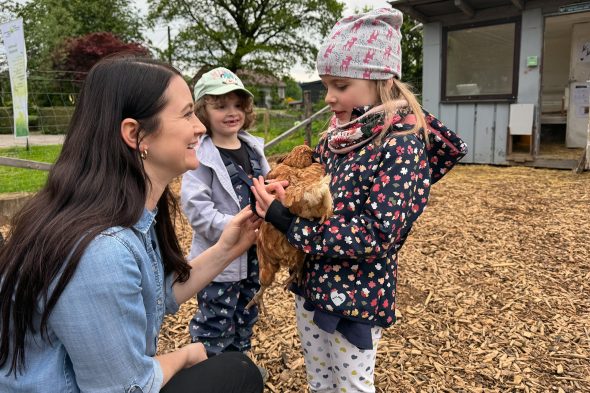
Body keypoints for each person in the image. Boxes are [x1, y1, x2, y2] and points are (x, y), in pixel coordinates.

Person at [0, 56, 264, 393]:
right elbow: (125, 387)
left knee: (235, 366)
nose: (199, 127)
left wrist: (227, 248)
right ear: (136, 134)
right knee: (237, 374)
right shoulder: (100, 251)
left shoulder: (125, 212)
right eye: (186, 114)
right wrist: (185, 355)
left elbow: (160, 294)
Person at [250, 8, 468, 393]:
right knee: (320, 381)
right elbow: (317, 187)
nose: (330, 97)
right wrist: (288, 193)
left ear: (380, 79)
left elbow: (376, 234)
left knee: (351, 386)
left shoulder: (401, 145)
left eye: (340, 85)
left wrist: (288, 223)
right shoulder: (341, 133)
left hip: (356, 297)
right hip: (313, 282)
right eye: (326, 85)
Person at [180, 68, 269, 365]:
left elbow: (266, 186)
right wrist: (228, 226)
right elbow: (196, 207)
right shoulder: (202, 155)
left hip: (254, 253)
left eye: (237, 105)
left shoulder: (253, 148)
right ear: (203, 111)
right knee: (216, 319)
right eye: (220, 106)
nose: (231, 113)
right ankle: (211, 370)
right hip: (220, 261)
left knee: (246, 312)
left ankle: (238, 366)